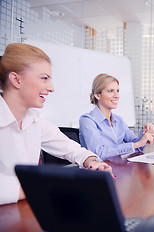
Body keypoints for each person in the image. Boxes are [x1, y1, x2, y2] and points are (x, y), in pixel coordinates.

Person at [0, 43, 114, 206]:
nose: (51, 88)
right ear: (16, 80)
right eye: (44, 78)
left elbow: (72, 149)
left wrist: (93, 161)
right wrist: (36, 188)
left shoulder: (35, 119)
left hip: (26, 211)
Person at [79, 73, 154, 160]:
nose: (117, 96)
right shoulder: (87, 121)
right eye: (110, 91)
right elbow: (98, 153)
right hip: (99, 171)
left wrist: (146, 133)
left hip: (118, 168)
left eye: (117, 91)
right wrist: (137, 144)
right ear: (97, 95)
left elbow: (138, 147)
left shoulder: (118, 120)